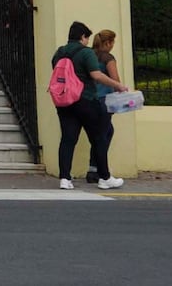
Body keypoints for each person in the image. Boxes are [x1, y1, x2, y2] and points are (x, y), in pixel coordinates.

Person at [53, 21, 128, 190]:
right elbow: (96, 75)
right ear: (82, 37)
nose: (87, 41)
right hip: (85, 99)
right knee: (99, 138)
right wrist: (118, 86)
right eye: (86, 37)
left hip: (64, 102)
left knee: (68, 139)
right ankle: (104, 177)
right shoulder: (86, 53)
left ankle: (65, 178)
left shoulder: (59, 52)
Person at [85, 29, 121, 184]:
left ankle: (94, 168)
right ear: (108, 43)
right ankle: (100, 171)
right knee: (103, 135)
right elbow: (115, 78)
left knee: (100, 133)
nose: (113, 45)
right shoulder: (108, 58)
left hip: (90, 99)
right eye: (112, 42)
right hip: (105, 100)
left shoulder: (89, 55)